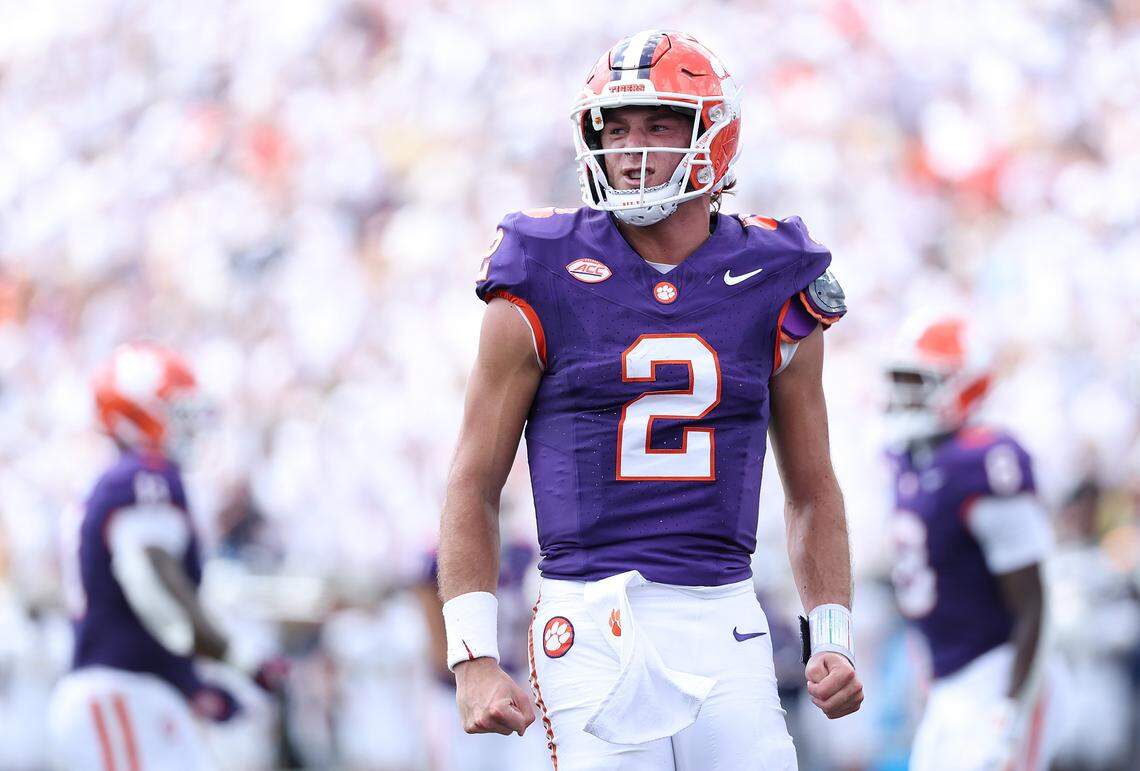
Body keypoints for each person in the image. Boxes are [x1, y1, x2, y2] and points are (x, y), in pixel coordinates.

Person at [437, 30, 862, 770]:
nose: (631, 149)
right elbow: (473, 480)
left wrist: (831, 634)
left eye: (659, 124)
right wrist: (470, 652)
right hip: (590, 618)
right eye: (616, 127)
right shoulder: (540, 266)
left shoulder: (775, 274)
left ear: (714, 136)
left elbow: (812, 486)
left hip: (727, 614)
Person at [48, 342, 286, 771]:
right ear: (136, 415)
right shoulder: (143, 479)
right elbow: (154, 588)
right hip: (122, 692)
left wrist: (193, 683)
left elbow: (146, 618)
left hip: (137, 691)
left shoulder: (119, 483)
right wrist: (240, 658)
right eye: (175, 411)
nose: (187, 426)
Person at [884, 317, 1064, 770]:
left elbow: (1034, 603)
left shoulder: (985, 462)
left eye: (918, 381)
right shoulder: (910, 458)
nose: (904, 394)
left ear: (964, 386)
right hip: (950, 681)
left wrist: (1009, 709)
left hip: (997, 671)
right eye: (900, 380)